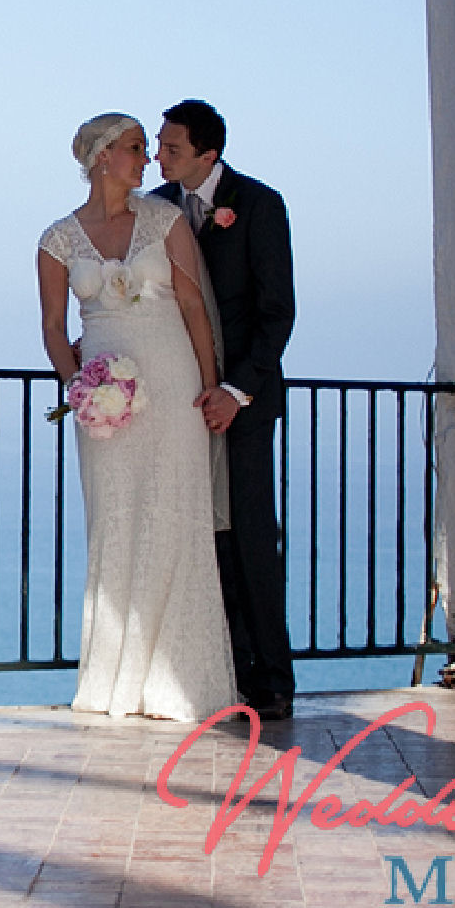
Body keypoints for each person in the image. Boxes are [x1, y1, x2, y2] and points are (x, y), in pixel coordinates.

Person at [37, 112, 236, 719]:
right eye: (135, 148)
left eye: (147, 149)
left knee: (176, 516)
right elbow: (53, 328)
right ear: (102, 156)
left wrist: (209, 386)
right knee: (116, 518)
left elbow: (194, 306)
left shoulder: (164, 220)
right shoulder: (57, 239)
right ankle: (113, 678)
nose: (146, 159)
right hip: (105, 400)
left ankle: (175, 683)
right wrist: (79, 389)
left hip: (173, 385)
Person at [150, 98, 297, 721]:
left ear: (208, 155)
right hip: (182, 400)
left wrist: (234, 392)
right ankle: (223, 673)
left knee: (251, 536)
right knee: (202, 538)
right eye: (159, 144)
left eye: (172, 148)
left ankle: (274, 680)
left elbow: (277, 313)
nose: (159, 157)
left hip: (243, 402)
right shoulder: (156, 207)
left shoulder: (259, 205)